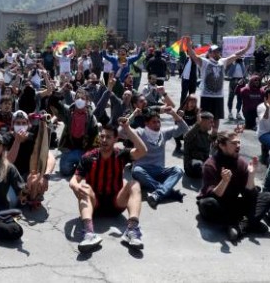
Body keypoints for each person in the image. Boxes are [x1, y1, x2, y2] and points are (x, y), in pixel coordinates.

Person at [69, 120, 147, 252]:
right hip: (95, 205)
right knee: (84, 188)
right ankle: (89, 234)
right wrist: (76, 187)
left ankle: (132, 230)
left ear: (116, 139)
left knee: (134, 184)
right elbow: (73, 181)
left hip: (116, 203)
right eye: (102, 136)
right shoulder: (89, 157)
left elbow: (142, 150)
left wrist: (127, 128)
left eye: (108, 137)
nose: (104, 140)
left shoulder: (121, 154)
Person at [197, 131, 270, 242]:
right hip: (218, 204)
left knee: (267, 197)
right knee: (207, 204)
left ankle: (239, 225)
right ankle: (247, 223)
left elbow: (249, 196)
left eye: (239, 142)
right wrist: (224, 181)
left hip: (233, 204)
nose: (238, 146)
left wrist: (251, 175)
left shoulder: (241, 163)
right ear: (222, 146)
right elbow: (214, 195)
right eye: (233, 143)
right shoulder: (210, 164)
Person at [186, 37, 253, 133]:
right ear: (209, 53)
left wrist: (247, 48)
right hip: (207, 95)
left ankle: (214, 134)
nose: (216, 53)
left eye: (218, 51)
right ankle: (203, 134)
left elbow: (236, 55)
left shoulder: (223, 61)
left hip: (219, 96)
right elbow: (194, 56)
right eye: (214, 51)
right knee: (205, 117)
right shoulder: (204, 62)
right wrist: (188, 46)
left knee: (216, 117)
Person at [131, 107, 189, 209]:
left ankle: (157, 194)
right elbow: (121, 131)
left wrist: (173, 114)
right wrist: (133, 116)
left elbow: (184, 129)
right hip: (143, 171)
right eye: (154, 122)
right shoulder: (139, 133)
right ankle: (168, 192)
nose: (157, 124)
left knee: (178, 170)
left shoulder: (163, 133)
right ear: (146, 123)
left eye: (159, 122)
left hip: (159, 171)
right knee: (137, 170)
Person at [6, 110, 56, 204]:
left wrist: (45, 176)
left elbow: (50, 156)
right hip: (12, 176)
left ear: (28, 124)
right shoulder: (7, 138)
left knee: (36, 179)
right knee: (12, 202)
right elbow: (8, 162)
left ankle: (31, 195)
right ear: (13, 124)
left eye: (23, 123)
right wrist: (17, 141)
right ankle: (23, 194)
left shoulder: (33, 138)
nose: (21, 125)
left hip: (29, 174)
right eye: (18, 123)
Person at [49, 88, 99, 177]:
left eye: (83, 98)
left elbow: (95, 141)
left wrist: (90, 155)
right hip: (70, 149)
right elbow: (53, 102)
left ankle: (81, 167)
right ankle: (78, 168)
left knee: (92, 170)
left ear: (87, 101)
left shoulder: (91, 118)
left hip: (84, 151)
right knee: (64, 170)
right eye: (78, 98)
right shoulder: (68, 112)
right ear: (74, 100)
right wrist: (62, 90)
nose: (80, 100)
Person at [183, 111, 214, 178]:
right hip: (191, 165)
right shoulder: (192, 130)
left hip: (203, 162)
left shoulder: (207, 135)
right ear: (202, 121)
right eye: (210, 122)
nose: (213, 124)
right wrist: (197, 124)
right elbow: (186, 138)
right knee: (198, 165)